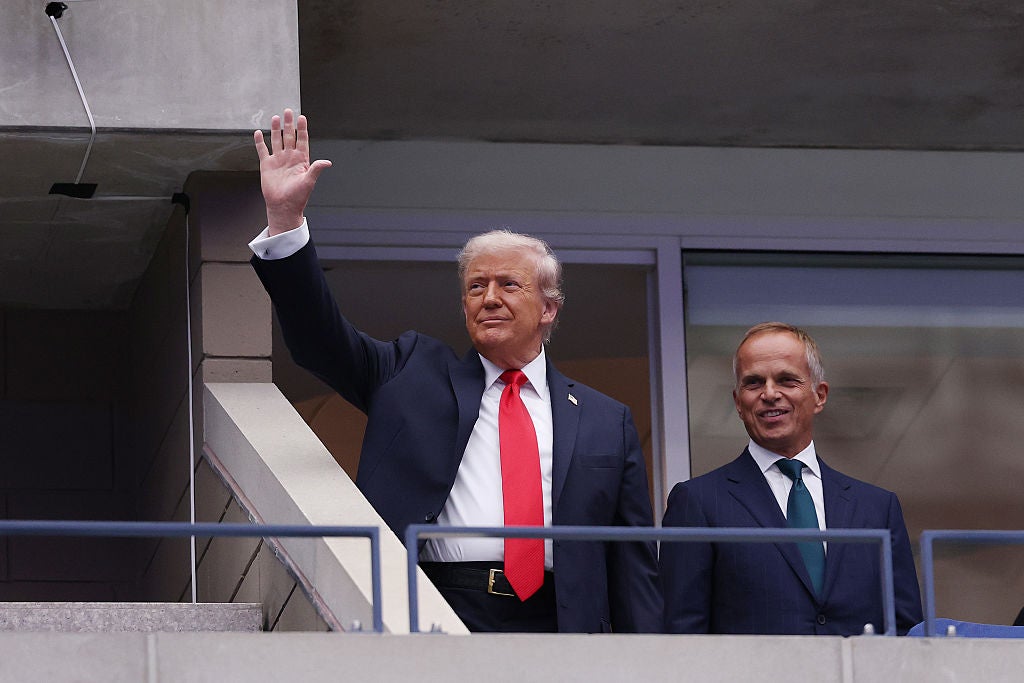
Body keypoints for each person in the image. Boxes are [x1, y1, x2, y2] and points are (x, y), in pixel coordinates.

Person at [247, 109, 662, 633]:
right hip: (438, 611)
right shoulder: (411, 372)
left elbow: (633, 564)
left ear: (550, 307)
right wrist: (286, 224)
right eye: (475, 286)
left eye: (509, 285)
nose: (489, 298)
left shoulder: (608, 419)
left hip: (562, 624)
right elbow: (319, 341)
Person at [660, 322, 922, 635]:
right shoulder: (698, 502)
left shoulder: (877, 508)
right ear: (738, 403)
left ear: (820, 395)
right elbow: (680, 635)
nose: (770, 394)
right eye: (754, 383)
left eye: (786, 380)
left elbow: (908, 633)